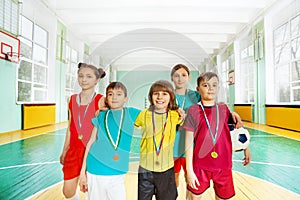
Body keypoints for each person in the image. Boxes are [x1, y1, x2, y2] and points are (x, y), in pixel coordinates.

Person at [171, 64, 243, 189]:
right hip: (173, 144)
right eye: (176, 75)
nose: (180, 79)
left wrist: (231, 113)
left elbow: (212, 105)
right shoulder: (168, 96)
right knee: (173, 178)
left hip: (193, 146)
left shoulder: (196, 95)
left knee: (191, 180)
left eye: (183, 75)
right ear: (172, 78)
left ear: (189, 77)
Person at [184, 72, 251, 200]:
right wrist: (189, 171)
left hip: (223, 166)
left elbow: (236, 132)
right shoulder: (193, 110)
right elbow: (188, 143)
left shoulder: (224, 109)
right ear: (198, 89)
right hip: (200, 166)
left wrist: (246, 148)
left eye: (214, 85)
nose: (210, 88)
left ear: (218, 88)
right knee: (193, 197)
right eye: (205, 85)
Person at [79, 82, 140, 200]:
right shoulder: (101, 116)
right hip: (95, 169)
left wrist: (176, 110)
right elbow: (90, 143)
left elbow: (156, 115)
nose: (114, 97)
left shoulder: (131, 113)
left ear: (125, 98)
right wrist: (83, 172)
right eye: (110, 94)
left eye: (119, 94)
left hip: (118, 171)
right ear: (107, 98)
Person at [60, 62, 106, 200]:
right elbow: (70, 127)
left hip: (92, 151)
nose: (84, 79)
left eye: (88, 76)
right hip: (74, 150)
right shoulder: (71, 99)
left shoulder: (101, 100)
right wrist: (64, 150)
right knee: (67, 191)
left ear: (97, 80)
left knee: (91, 191)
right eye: (81, 76)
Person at [134, 80, 181, 200]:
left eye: (164, 94)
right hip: (145, 169)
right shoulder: (143, 115)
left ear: (171, 97)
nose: (160, 97)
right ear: (150, 97)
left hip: (166, 169)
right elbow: (127, 124)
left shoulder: (176, 115)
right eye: (156, 93)